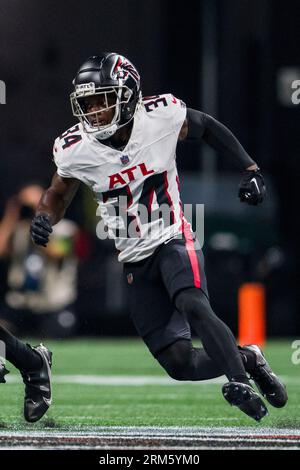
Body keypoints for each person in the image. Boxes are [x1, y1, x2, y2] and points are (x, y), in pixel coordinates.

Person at [30, 52, 287, 421]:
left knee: (193, 304)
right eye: (87, 103)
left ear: (129, 94)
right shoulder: (76, 148)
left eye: (103, 100)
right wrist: (44, 216)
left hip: (172, 236)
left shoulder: (159, 116)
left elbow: (207, 126)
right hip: (133, 256)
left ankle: (238, 378)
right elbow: (58, 192)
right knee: (179, 363)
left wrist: (249, 168)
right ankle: (248, 357)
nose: (95, 112)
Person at [0, 185, 53, 423]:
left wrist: (40, 213)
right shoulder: (17, 230)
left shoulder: (62, 227)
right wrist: (13, 211)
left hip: (48, 303)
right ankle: (32, 363)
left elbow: (59, 252)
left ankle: (31, 363)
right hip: (19, 302)